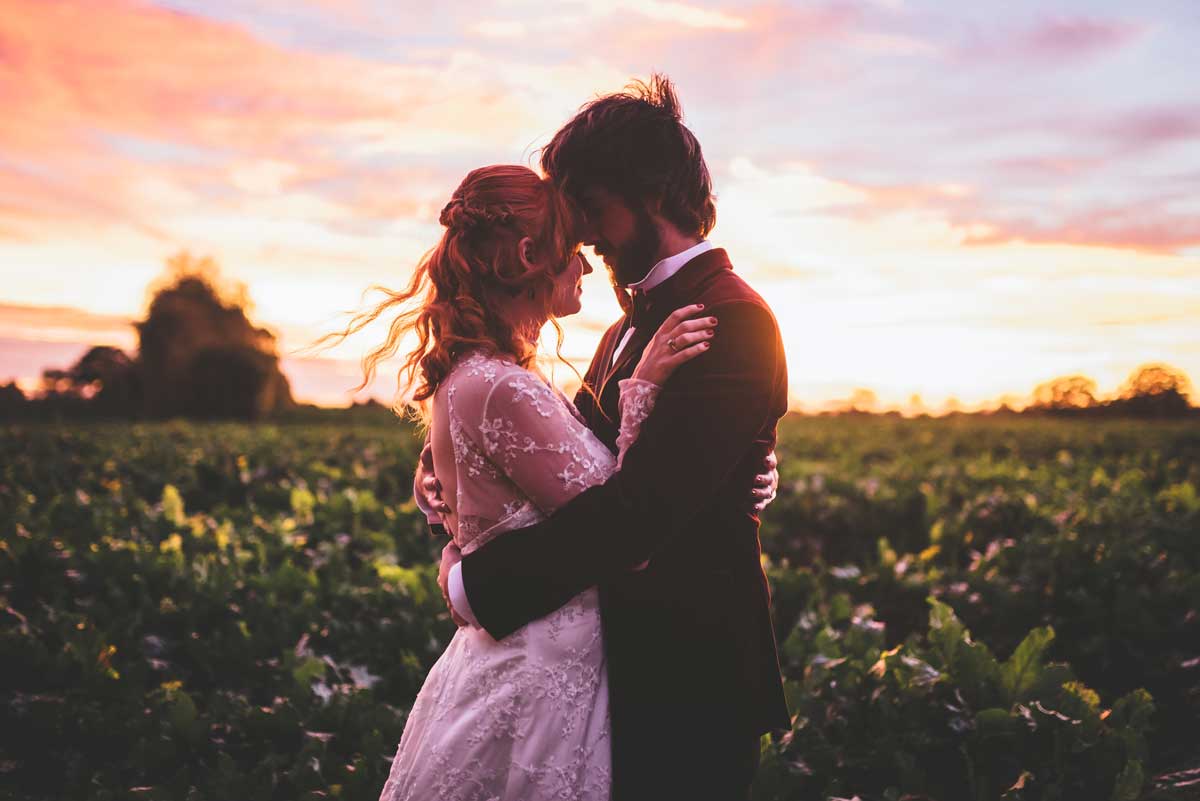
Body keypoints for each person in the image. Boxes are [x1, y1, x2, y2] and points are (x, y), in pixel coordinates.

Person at [428, 75, 790, 800]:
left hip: (689, 682)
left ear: (651, 194)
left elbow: (634, 516)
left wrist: (475, 582)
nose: (581, 234)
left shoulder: (734, 320)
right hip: (621, 678)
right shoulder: (629, 325)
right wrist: (448, 471)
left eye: (590, 206)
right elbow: (575, 457)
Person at [318, 163, 719, 800]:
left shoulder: (493, 377)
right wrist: (645, 388)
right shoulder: (500, 385)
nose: (586, 266)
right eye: (573, 251)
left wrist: (747, 469)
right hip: (535, 679)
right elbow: (623, 519)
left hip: (540, 666)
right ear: (530, 256)